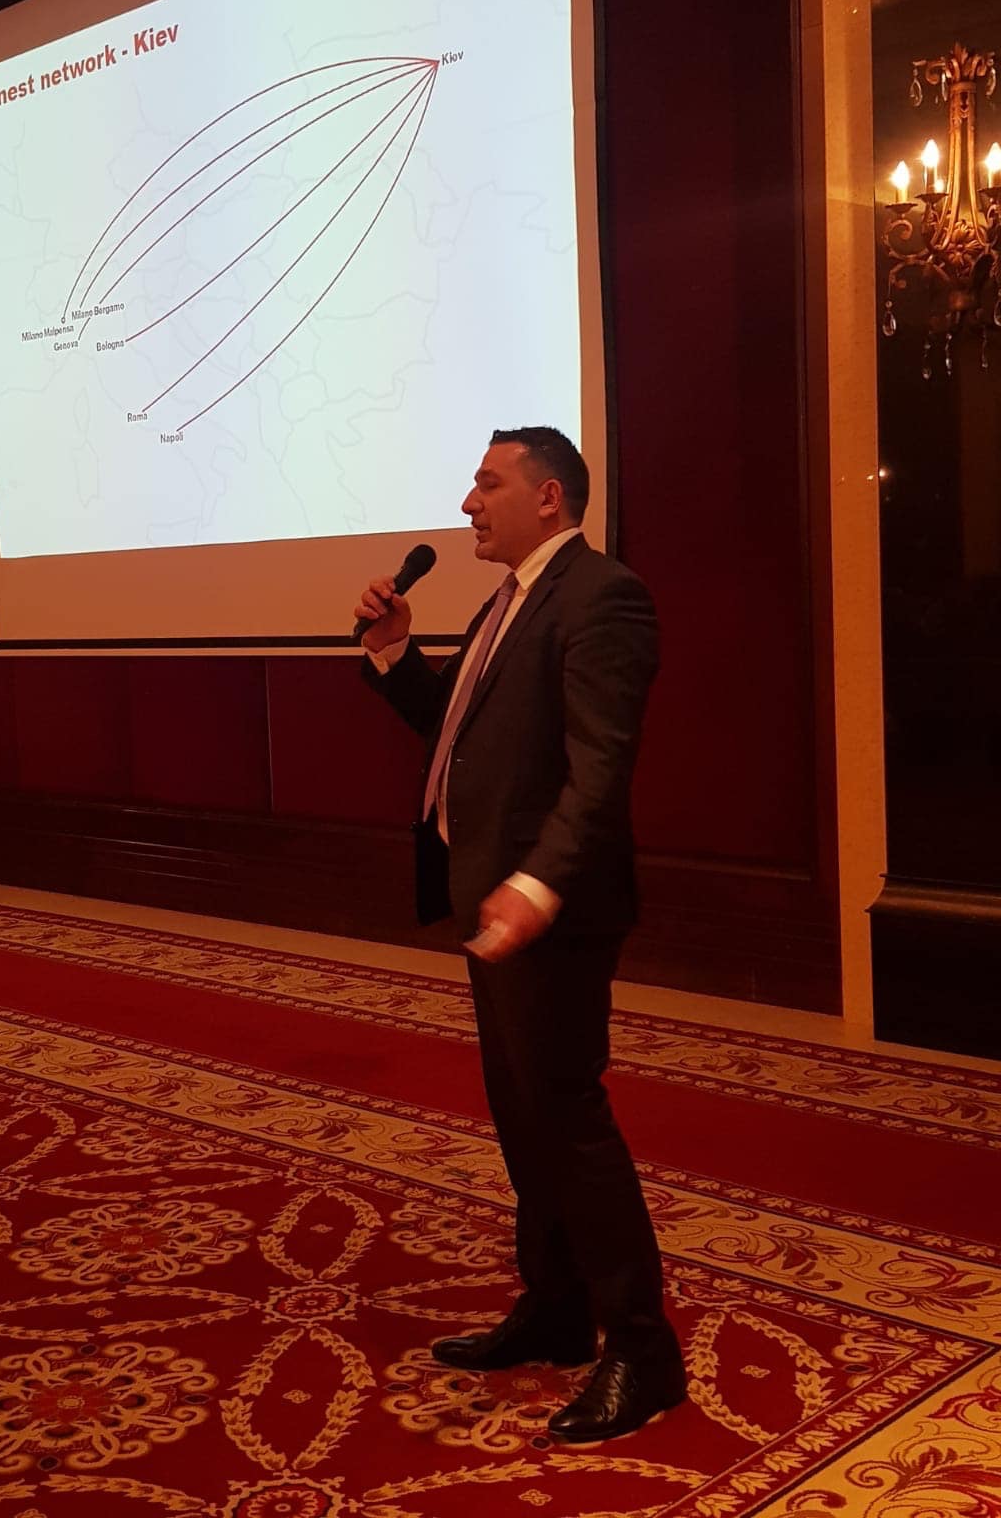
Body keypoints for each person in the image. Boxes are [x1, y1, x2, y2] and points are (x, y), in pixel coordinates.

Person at [355, 426, 685, 1443]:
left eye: (487, 483)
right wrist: (394, 651)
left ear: (548, 497)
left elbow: (601, 766)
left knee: (568, 1120)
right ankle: (557, 1306)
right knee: (523, 1115)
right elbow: (459, 731)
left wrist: (539, 883)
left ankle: (644, 1349)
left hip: (552, 908)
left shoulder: (602, 597)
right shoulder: (507, 602)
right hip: (494, 899)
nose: (468, 502)